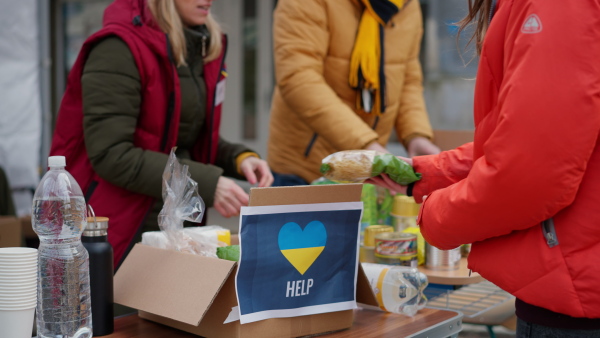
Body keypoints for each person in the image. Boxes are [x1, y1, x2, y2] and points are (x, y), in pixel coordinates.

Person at [368, 0, 600, 336]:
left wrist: (434, 216)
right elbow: (534, 138)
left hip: (574, 299)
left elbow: (527, 175)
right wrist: (427, 173)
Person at [50, 0, 273, 268]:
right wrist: (208, 183)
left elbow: (184, 139)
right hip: (120, 226)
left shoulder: (196, 45)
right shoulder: (116, 48)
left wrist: (239, 158)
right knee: (127, 311)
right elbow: (112, 154)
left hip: (172, 226)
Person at [267, 0, 440, 186]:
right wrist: (365, 144)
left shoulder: (407, 5)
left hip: (366, 172)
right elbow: (298, 79)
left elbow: (407, 80)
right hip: (304, 169)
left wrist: (415, 135)